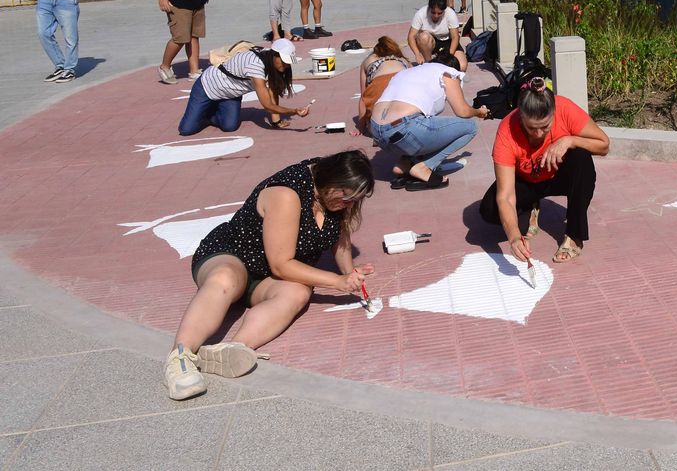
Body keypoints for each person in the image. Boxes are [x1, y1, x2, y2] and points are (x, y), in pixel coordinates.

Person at [164, 151, 375, 400]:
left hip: (265, 276)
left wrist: (350, 274)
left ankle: (231, 350)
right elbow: (281, 265)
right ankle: (180, 358)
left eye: (356, 200)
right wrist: (337, 282)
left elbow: (341, 241)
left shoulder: (338, 196)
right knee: (225, 279)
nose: (350, 204)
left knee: (298, 292)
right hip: (234, 255)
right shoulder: (288, 192)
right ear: (331, 180)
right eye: (348, 198)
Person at [485, 77, 610, 264]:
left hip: (558, 175)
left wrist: (570, 140)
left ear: (554, 113)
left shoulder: (565, 108)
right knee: (490, 210)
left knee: (581, 158)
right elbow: (505, 196)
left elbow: (604, 144)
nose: (538, 134)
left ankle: (574, 235)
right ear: (520, 116)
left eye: (545, 127)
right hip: (527, 180)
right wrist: (514, 236)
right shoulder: (506, 130)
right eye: (531, 128)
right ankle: (532, 206)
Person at [368, 57, 489, 191]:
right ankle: (425, 167)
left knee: (425, 125)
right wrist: (478, 112)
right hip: (405, 129)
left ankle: (405, 163)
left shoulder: (408, 72)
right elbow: (463, 111)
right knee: (470, 127)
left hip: (377, 132)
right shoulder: (448, 72)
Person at [178, 39, 309, 135]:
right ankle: (205, 109)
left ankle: (208, 114)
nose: (286, 66)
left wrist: (276, 122)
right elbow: (268, 105)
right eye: (284, 61)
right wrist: (294, 111)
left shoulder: (270, 59)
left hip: (230, 94)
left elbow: (273, 90)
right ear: (275, 55)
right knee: (186, 130)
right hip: (207, 87)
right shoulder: (255, 66)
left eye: (288, 63)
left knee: (230, 126)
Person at [357, 36, 410, 133]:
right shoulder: (403, 60)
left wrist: (361, 128)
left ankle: (380, 130)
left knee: (376, 120)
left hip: (379, 116)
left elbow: (363, 99)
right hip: (405, 109)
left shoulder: (368, 60)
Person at [407, 0, 466, 69]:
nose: (436, 16)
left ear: (444, 10)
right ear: (429, 8)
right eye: (433, 12)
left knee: (462, 66)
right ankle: (429, 63)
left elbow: (455, 37)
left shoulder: (450, 13)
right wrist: (417, 54)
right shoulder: (421, 13)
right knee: (423, 37)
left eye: (439, 13)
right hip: (431, 42)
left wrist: (448, 57)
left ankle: (442, 60)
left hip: (448, 42)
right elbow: (411, 36)